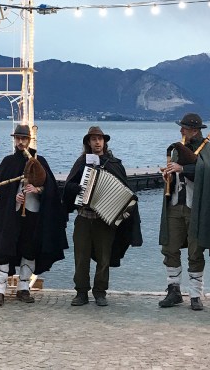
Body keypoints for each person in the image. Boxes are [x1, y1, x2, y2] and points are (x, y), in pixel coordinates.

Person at [0, 123, 67, 307]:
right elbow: (0, 193)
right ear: (14, 140)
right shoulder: (8, 162)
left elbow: (51, 188)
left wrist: (38, 189)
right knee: (3, 248)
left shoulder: (39, 161)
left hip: (32, 213)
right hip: (10, 215)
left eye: (24, 139)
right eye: (18, 138)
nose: (20, 142)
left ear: (29, 140)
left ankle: (23, 288)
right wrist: (14, 196)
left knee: (29, 249)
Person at [62, 125, 142, 307]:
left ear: (104, 142)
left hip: (104, 220)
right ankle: (81, 292)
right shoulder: (81, 162)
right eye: (94, 139)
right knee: (81, 258)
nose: (97, 142)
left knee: (104, 258)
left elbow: (126, 191)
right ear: (88, 143)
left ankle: (100, 292)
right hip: (84, 217)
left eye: (100, 139)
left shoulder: (114, 164)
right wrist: (79, 188)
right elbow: (68, 186)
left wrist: (125, 208)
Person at [158, 113, 210, 311]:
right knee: (170, 247)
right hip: (174, 205)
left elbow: (209, 172)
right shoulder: (178, 149)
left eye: (185, 128)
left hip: (196, 208)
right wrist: (168, 175)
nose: (181, 131)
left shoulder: (208, 150)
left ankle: (196, 294)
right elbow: (176, 173)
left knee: (195, 251)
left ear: (195, 131)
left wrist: (183, 169)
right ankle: (173, 291)